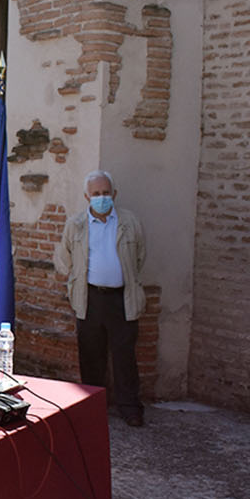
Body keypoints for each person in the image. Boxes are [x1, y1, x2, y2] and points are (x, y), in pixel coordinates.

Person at [54, 170, 147, 427]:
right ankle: (93, 406)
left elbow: (139, 256)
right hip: (90, 298)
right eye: (96, 194)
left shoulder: (129, 222)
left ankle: (130, 408)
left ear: (114, 194)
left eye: (106, 193)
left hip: (121, 299)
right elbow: (66, 258)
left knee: (124, 356)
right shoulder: (76, 224)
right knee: (91, 356)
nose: (101, 198)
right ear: (87, 196)